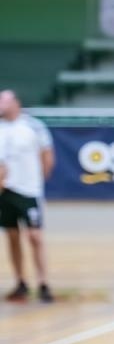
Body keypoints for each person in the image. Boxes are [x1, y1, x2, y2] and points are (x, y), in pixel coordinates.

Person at [0, 90, 55, 304]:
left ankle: (43, 282)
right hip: (6, 191)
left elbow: (47, 156)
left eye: (4, 100)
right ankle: (21, 281)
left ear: (16, 103)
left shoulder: (33, 126)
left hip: (29, 190)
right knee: (12, 236)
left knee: (35, 237)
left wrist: (39, 180)